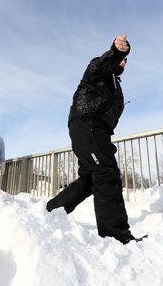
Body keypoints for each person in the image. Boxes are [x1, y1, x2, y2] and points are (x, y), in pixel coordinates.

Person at [46, 34, 139, 244]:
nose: (123, 62)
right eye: (121, 59)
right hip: (87, 124)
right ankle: (115, 235)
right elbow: (104, 63)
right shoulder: (97, 70)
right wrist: (117, 51)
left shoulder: (115, 84)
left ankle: (50, 211)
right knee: (106, 173)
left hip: (97, 131)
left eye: (125, 60)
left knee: (90, 179)